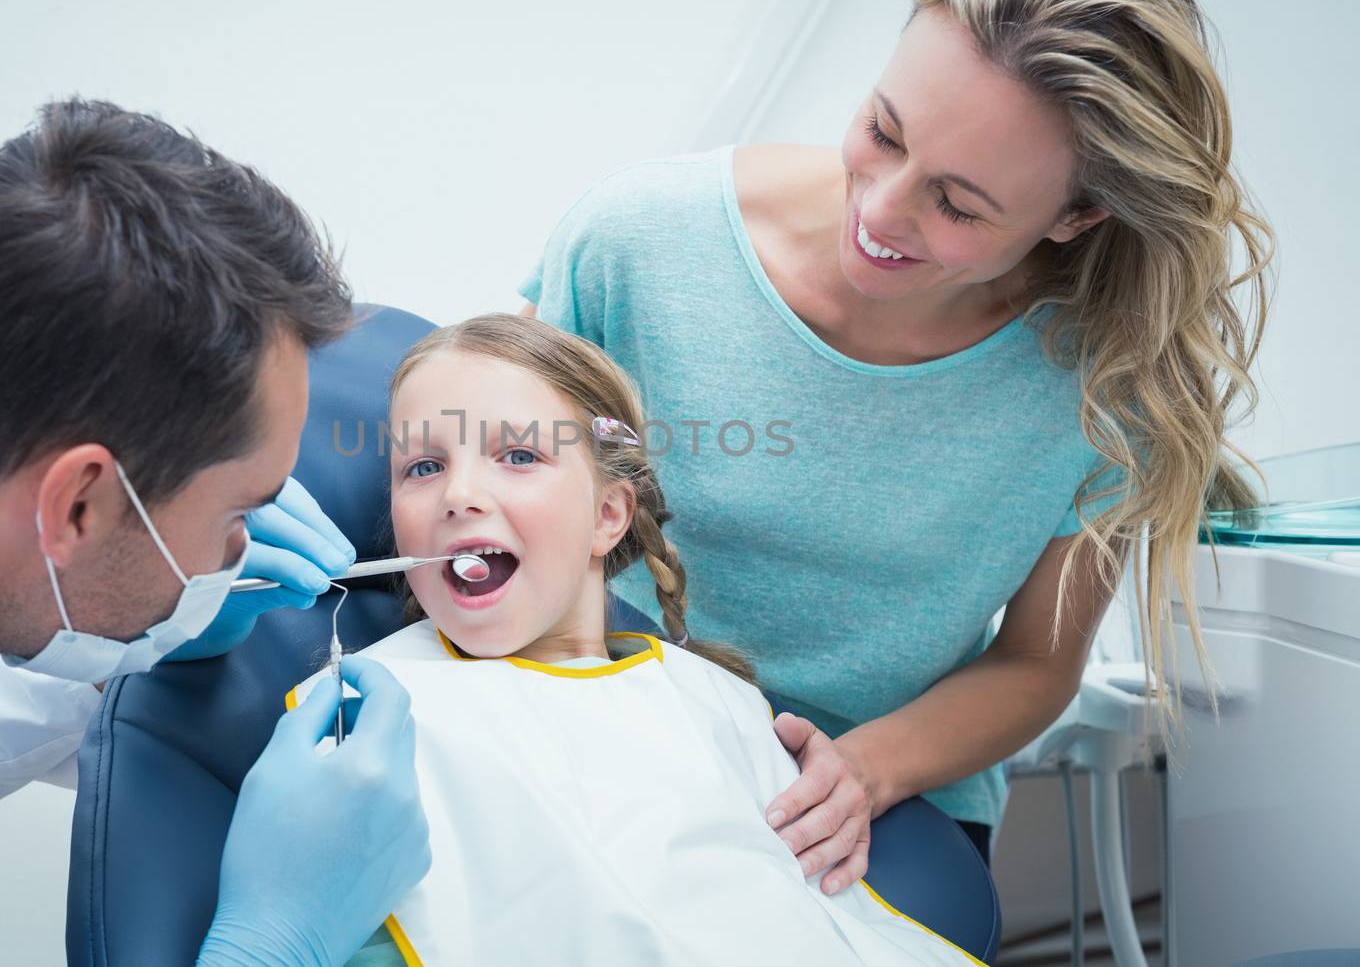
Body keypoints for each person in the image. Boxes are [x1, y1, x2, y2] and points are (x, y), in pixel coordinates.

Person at [519, 0, 1274, 881]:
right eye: (884, 130)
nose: (877, 212)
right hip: (603, 709)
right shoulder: (635, 242)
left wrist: (865, 771)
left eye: (959, 206)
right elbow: (504, 487)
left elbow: (1037, 663)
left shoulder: (1110, 391)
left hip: (881, 790)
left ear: (1078, 217)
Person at [0, 99, 429, 965]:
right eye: (237, 513)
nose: (240, 550)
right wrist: (271, 943)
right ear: (79, 504)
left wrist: (141, 651)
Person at [288, 313, 981, 965]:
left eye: (520, 454)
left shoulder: (720, 705)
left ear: (607, 515)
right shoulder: (368, 711)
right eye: (422, 467)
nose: (458, 493)